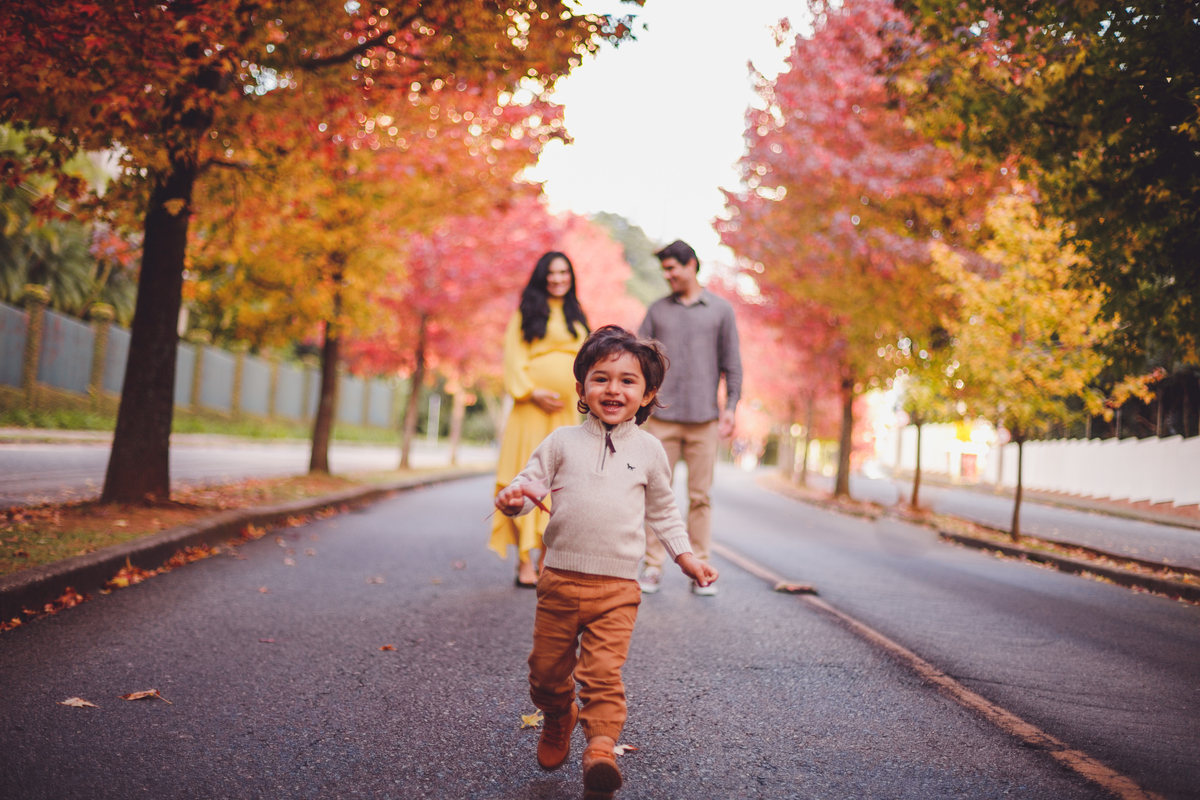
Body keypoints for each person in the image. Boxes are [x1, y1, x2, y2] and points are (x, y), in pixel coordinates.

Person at [495, 325, 719, 799]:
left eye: (627, 381)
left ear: (648, 394)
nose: (613, 389)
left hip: (617, 589)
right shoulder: (559, 443)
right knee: (545, 675)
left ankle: (600, 750)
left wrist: (687, 558)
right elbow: (525, 486)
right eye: (601, 378)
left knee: (602, 675)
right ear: (581, 389)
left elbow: (663, 512)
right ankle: (558, 717)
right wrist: (513, 501)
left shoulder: (650, 451)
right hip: (558, 580)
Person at [637, 239, 742, 596]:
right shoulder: (657, 311)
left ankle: (701, 568)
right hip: (662, 419)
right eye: (664, 269)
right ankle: (652, 565)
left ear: (691, 265)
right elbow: (637, 359)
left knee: (700, 497)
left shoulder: (721, 311)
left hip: (704, 419)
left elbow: (732, 364)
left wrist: (731, 408)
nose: (668, 275)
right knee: (655, 494)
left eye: (672, 268)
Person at [489, 252, 590, 587]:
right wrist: (532, 392)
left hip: (566, 413)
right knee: (525, 478)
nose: (558, 278)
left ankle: (546, 559)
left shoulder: (577, 315)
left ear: (571, 276)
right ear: (541, 276)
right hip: (531, 410)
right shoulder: (526, 312)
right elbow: (513, 357)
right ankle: (523, 563)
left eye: (564, 272)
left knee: (560, 482)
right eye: (551, 272)